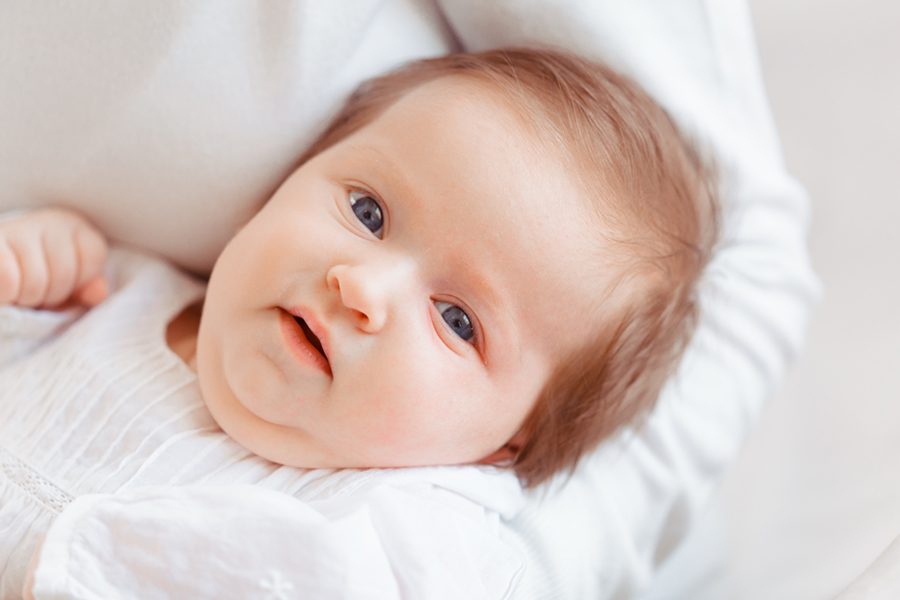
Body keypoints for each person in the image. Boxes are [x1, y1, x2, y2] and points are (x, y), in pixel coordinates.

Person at [0, 47, 716, 597]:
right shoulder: (106, 295)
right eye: (367, 212)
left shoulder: (409, 537)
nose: (362, 288)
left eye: (458, 321)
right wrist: (25, 277)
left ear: (503, 445)